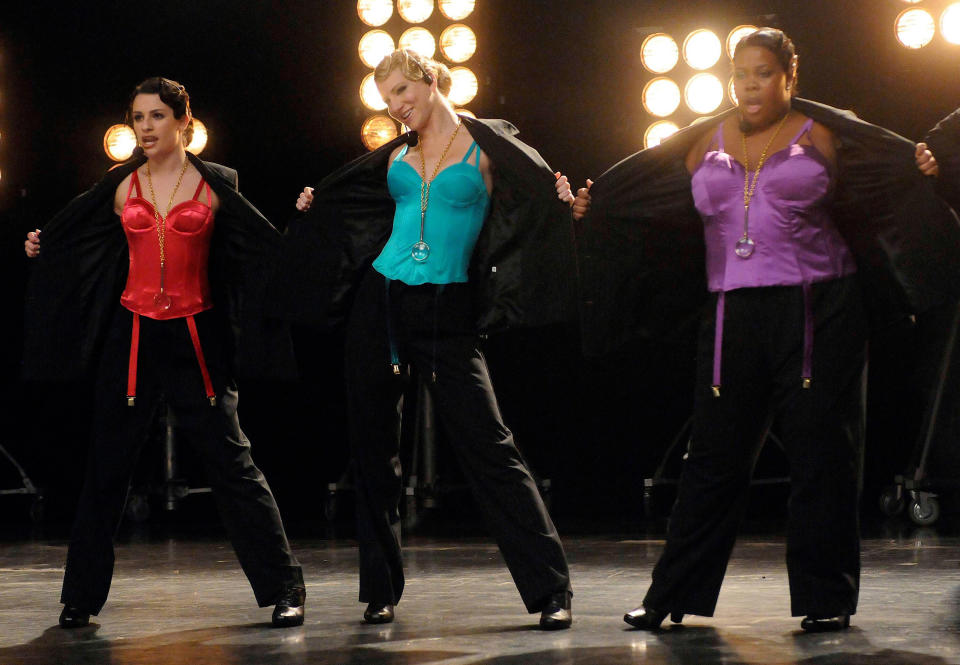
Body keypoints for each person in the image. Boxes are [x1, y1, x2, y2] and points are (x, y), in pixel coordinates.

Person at [559, 28, 960, 632]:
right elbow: (647, 207)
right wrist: (600, 204)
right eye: (741, 72)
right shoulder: (699, 143)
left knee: (821, 455)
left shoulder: (825, 132)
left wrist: (923, 164)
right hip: (731, 316)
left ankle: (826, 599)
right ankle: (672, 594)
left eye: (764, 72)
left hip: (819, 308)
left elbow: (885, 184)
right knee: (711, 460)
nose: (750, 83)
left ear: (788, 77)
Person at [280, 49, 575, 629]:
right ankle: (379, 591)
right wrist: (318, 205)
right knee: (373, 451)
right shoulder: (395, 155)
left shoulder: (486, 148)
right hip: (382, 303)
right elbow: (354, 205)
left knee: (490, 447)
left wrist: (563, 196)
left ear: (430, 80)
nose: (397, 105)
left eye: (402, 91)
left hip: (448, 309)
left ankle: (551, 591)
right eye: (388, 98)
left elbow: (535, 197)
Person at [23, 77, 306, 629]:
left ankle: (284, 588)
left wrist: (307, 225)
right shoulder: (118, 184)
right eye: (137, 118)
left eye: (156, 116)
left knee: (232, 464)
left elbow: (261, 247)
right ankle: (79, 598)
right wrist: (42, 244)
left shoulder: (216, 184)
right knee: (107, 467)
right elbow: (73, 236)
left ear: (182, 122)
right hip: (133, 338)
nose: (145, 127)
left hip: (196, 336)